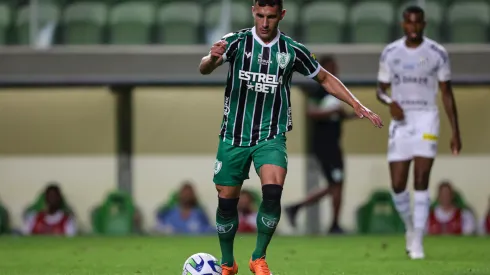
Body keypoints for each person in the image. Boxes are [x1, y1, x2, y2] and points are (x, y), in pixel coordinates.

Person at [199, 0, 383, 273]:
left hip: (271, 135)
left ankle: (258, 258)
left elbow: (324, 78)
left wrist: (355, 103)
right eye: (260, 15)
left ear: (281, 15)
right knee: (227, 202)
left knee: (272, 192)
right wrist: (213, 58)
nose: (264, 23)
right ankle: (227, 263)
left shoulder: (292, 50)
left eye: (271, 17)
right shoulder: (236, 42)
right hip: (234, 136)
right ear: (253, 11)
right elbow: (204, 67)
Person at [376, 5, 462, 260]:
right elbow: (380, 89)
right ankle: (410, 227)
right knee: (398, 184)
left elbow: (447, 93)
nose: (413, 27)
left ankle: (419, 240)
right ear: (403, 24)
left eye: (418, 23)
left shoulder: (437, 53)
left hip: (426, 117)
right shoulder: (391, 53)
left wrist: (456, 131)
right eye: (409, 23)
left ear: (424, 24)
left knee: (422, 177)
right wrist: (390, 102)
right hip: (401, 120)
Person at [285, 55, 357, 234]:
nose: (335, 71)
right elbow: (311, 112)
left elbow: (336, 115)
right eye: (331, 67)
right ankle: (330, 223)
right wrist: (333, 110)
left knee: (336, 184)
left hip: (334, 144)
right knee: (336, 184)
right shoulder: (319, 90)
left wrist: (352, 115)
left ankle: (308, 212)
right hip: (324, 146)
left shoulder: (336, 91)